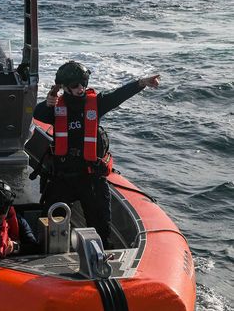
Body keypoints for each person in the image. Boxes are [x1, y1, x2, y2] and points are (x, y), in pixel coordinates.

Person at [33, 61, 160, 249]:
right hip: (63, 177)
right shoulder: (55, 107)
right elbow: (38, 114)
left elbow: (118, 96)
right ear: (65, 87)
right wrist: (47, 103)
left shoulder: (96, 104)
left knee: (101, 227)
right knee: (49, 216)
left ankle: (101, 258)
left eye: (83, 83)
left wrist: (141, 83)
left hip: (91, 177)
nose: (80, 88)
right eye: (75, 85)